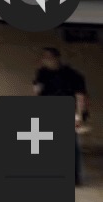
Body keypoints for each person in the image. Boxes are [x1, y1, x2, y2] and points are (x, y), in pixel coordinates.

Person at [33, 47, 89, 186]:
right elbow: (36, 92)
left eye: (47, 57)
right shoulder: (42, 74)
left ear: (56, 58)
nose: (45, 60)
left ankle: (74, 177)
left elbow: (80, 96)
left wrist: (79, 116)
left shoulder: (72, 75)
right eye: (43, 57)